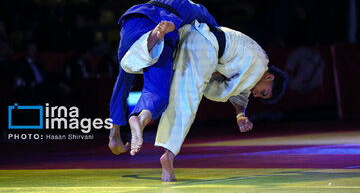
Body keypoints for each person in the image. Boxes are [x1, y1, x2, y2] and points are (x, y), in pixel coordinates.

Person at [122, 20, 288, 181]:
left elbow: (241, 92)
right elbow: (229, 92)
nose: (257, 94)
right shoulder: (260, 64)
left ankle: (141, 114)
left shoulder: (253, 65)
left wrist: (240, 115)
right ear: (269, 76)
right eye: (264, 92)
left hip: (193, 35)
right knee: (189, 101)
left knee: (158, 74)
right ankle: (169, 156)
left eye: (260, 97)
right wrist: (213, 76)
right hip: (205, 46)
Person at [108, 0, 218, 156]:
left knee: (125, 74)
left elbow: (122, 85)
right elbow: (217, 39)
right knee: (157, 92)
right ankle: (140, 119)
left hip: (133, 21)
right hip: (165, 27)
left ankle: (113, 134)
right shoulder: (200, 11)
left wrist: (115, 131)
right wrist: (216, 68)